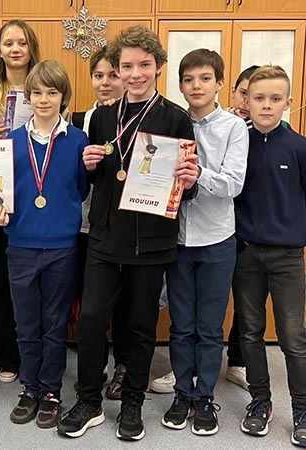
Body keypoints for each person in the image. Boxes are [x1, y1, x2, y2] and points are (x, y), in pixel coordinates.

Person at [56, 25, 199, 441]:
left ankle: (133, 402)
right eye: (127, 66)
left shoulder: (175, 118)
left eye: (144, 65)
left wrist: (189, 181)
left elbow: (184, 191)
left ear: (158, 67)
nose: (135, 74)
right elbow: (99, 177)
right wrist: (88, 164)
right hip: (104, 238)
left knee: (139, 328)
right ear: (117, 69)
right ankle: (89, 401)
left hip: (151, 242)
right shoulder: (102, 117)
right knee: (90, 322)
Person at [0, 59, 88, 429]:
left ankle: (51, 391)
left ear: (63, 97)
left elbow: (81, 189)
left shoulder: (77, 141)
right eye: (37, 93)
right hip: (21, 245)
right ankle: (29, 387)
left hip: (62, 247)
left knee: (54, 323)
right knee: (26, 323)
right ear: (27, 98)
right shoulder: (11, 142)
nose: (44, 99)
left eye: (52, 92)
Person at [161, 49, 248, 436]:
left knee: (210, 327)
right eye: (188, 79)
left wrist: (199, 174)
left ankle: (205, 398)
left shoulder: (234, 127)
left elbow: (234, 184)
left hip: (216, 238)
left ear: (219, 83)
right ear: (180, 86)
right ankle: (182, 393)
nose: (196, 86)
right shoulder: (171, 123)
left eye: (205, 78)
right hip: (177, 239)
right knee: (181, 326)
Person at [232, 65, 306, 448]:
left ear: (288, 102)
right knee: (249, 331)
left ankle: (303, 410)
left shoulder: (299, 147)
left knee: (293, 337)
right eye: (258, 98)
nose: (266, 105)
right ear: (246, 100)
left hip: (287, 257)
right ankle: (260, 400)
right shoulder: (237, 143)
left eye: (275, 99)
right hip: (245, 254)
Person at [0, 19, 41, 383]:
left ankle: (37, 351)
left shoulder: (45, 85)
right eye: (8, 43)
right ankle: (6, 355)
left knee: (35, 283)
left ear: (31, 49)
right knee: (1, 279)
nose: (15, 49)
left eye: (22, 42)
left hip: (36, 194)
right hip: (1, 196)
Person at [71, 46, 127, 401]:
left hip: (123, 225)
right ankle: (94, 368)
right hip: (84, 224)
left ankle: (123, 367)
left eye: (113, 75)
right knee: (91, 305)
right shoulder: (79, 120)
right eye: (98, 75)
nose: (105, 82)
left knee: (124, 304)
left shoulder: (137, 119)